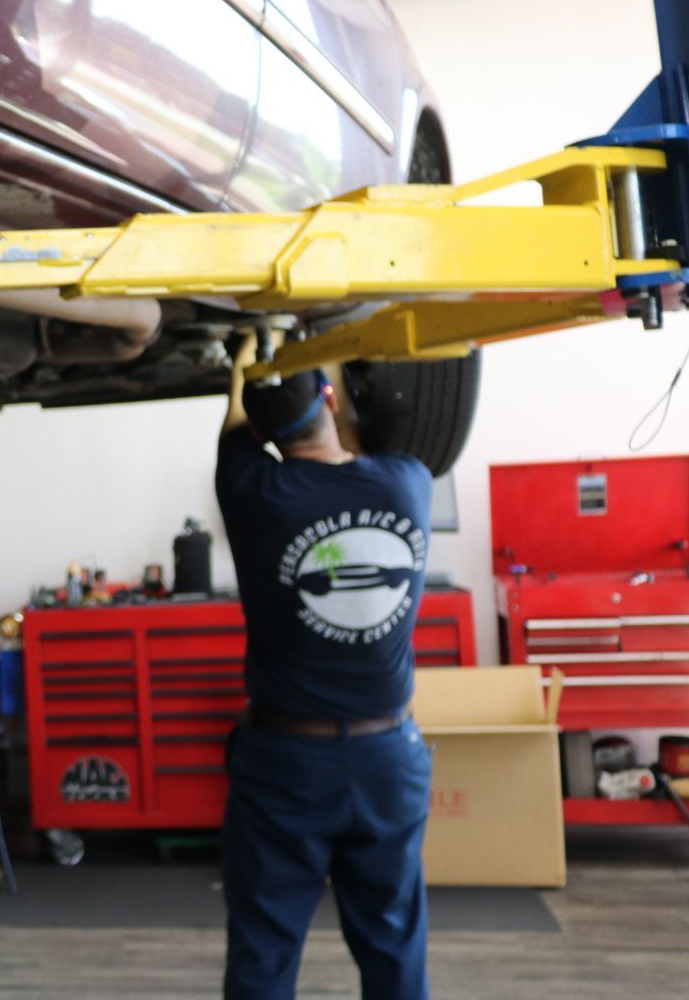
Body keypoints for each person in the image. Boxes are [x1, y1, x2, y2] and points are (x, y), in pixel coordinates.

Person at [215, 335, 435, 1000]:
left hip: (285, 762)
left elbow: (234, 430)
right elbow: (362, 440)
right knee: (393, 945)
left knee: (264, 948)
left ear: (264, 432)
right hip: (386, 755)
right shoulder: (407, 484)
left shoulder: (255, 493)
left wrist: (243, 363)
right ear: (332, 401)